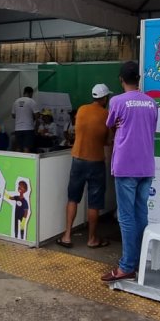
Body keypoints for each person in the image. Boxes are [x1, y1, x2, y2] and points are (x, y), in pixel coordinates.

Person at [101, 61, 158, 282]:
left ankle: (126, 266)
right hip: (146, 166)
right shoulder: (152, 103)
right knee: (141, 213)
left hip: (126, 166)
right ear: (139, 80)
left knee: (126, 217)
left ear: (121, 80)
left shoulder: (117, 101)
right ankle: (140, 262)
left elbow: (110, 124)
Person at [57, 84, 111, 249]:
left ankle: (67, 236)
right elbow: (108, 141)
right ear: (105, 98)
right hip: (95, 161)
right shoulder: (107, 115)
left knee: (73, 198)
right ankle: (92, 239)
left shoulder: (81, 110)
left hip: (78, 159)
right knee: (94, 203)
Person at [11, 86, 39, 152]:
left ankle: (18, 162)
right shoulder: (31, 101)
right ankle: (26, 162)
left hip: (18, 128)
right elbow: (37, 115)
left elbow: (13, 115)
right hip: (28, 128)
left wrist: (20, 115)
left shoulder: (16, 101)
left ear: (24, 92)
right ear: (30, 93)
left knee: (18, 147)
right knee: (27, 148)